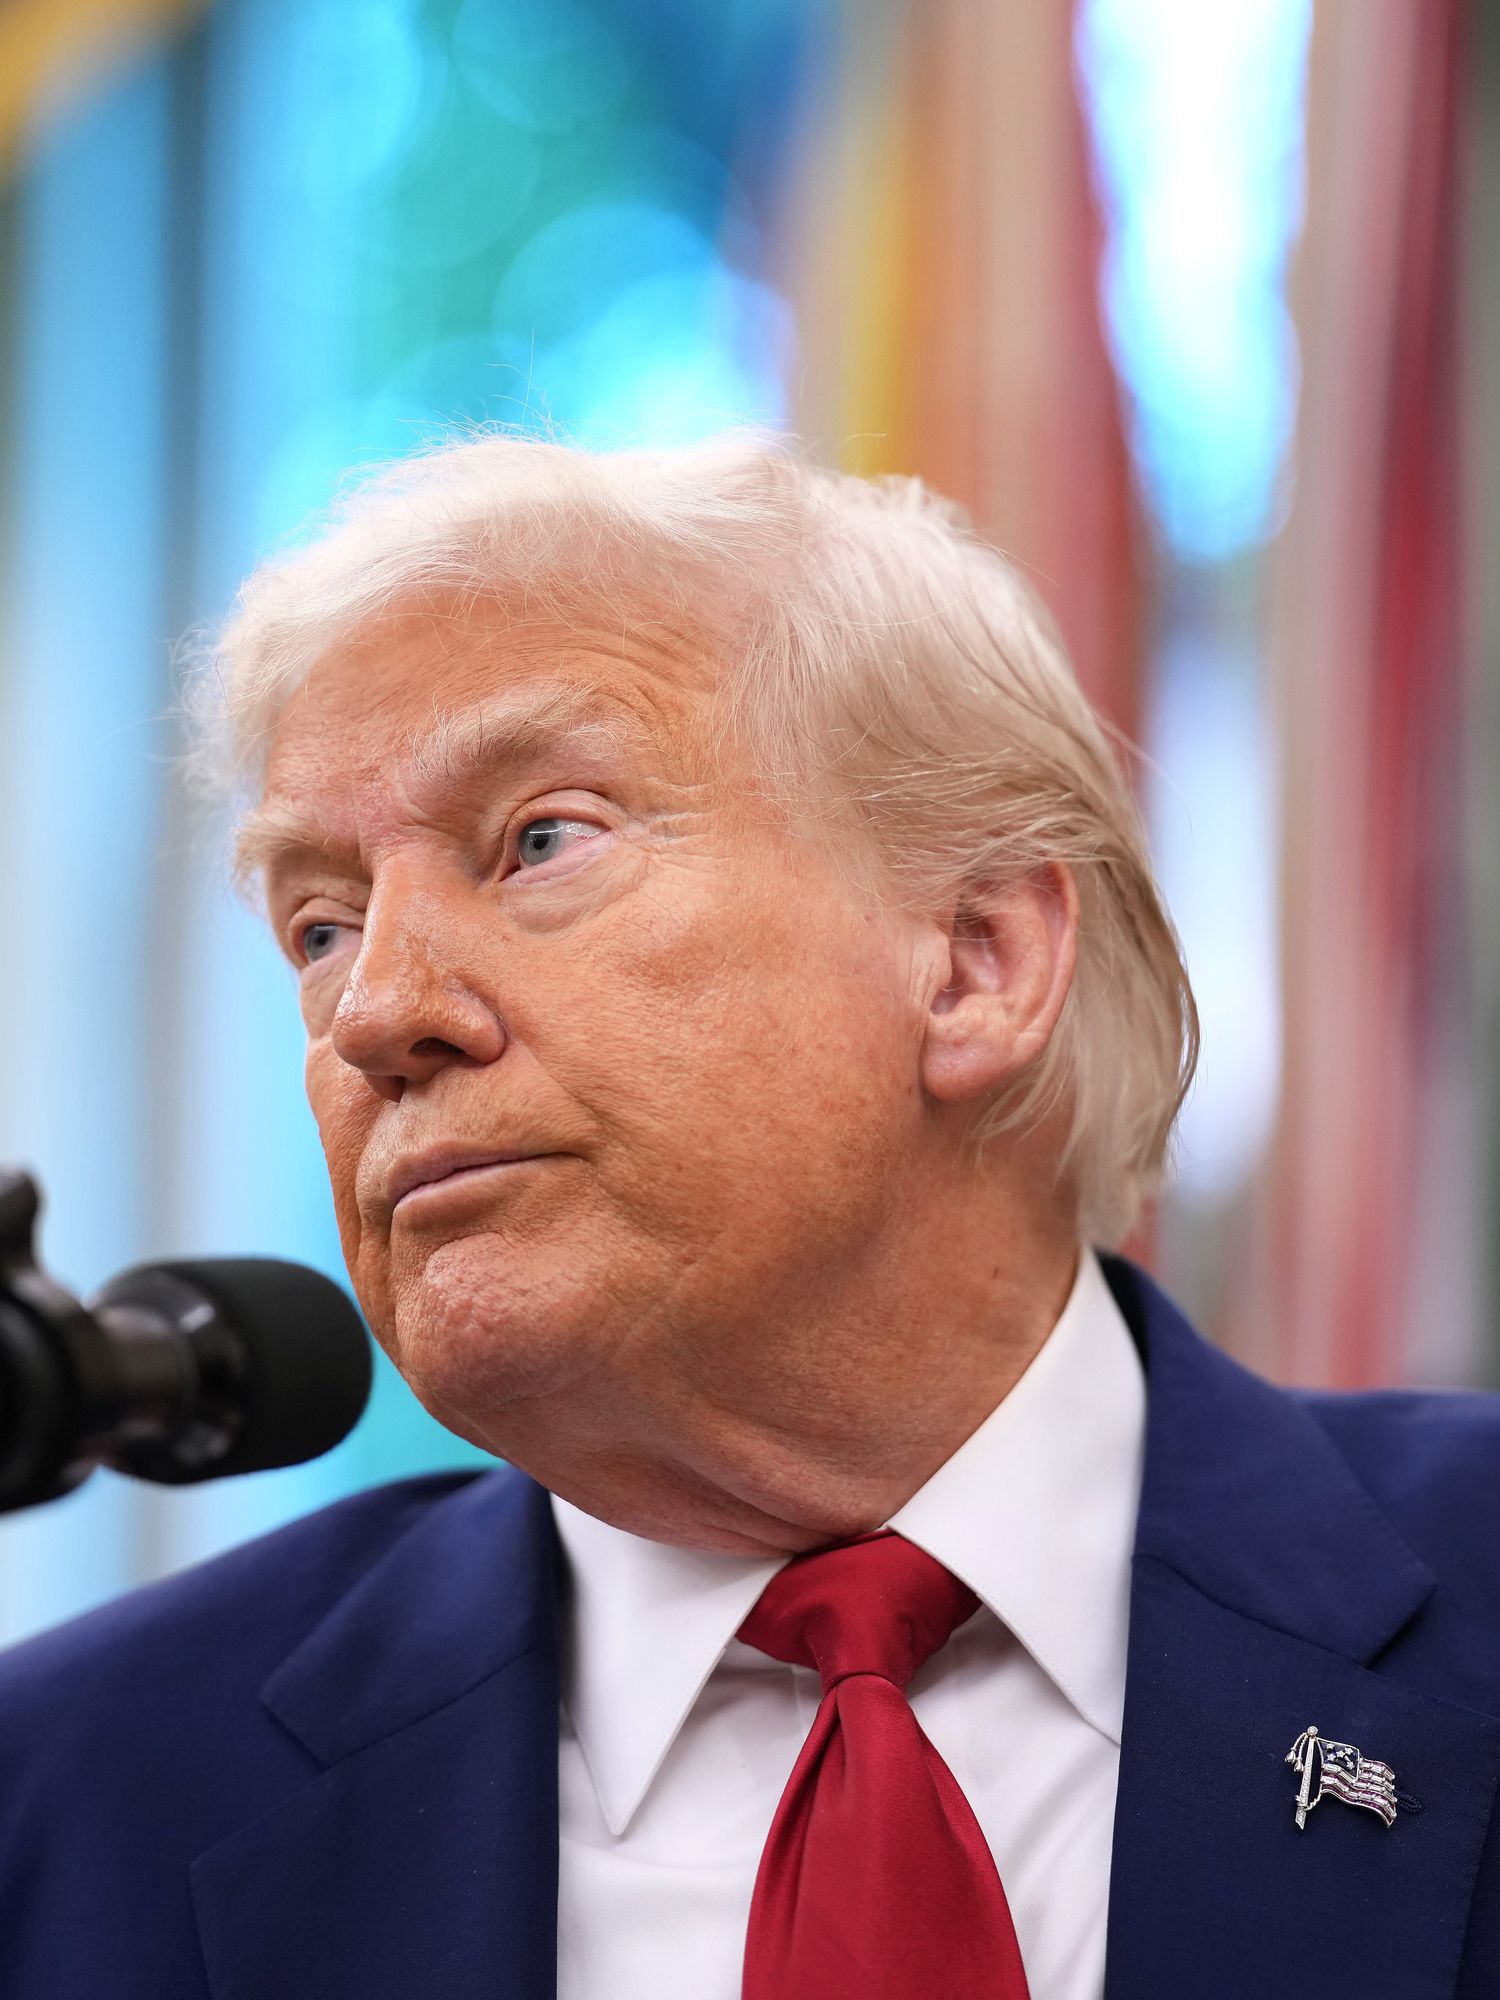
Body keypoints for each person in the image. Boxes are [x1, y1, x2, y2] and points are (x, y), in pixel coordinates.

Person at [1, 431, 1497, 2000]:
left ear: (976, 960)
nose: (375, 1011)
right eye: (320, 926)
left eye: (542, 840)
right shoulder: (69, 1806)